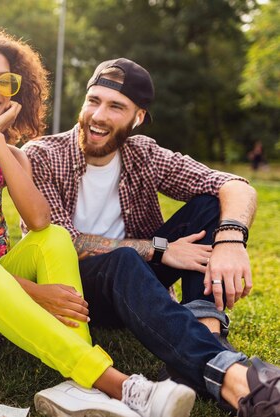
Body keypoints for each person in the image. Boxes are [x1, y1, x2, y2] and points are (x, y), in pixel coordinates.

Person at [0, 29, 196, 417]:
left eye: (5, 81)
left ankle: (75, 386)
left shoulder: (10, 153)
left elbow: (39, 220)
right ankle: (118, 384)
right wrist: (33, 291)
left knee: (54, 238)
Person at [23, 57, 280, 415]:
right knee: (124, 260)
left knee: (209, 205)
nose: (98, 115)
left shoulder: (143, 153)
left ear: (137, 117)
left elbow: (233, 184)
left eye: (116, 107)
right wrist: (159, 250)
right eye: (93, 100)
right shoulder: (42, 156)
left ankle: (205, 333)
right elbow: (63, 240)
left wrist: (231, 240)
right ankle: (233, 376)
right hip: (75, 291)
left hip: (137, 284)